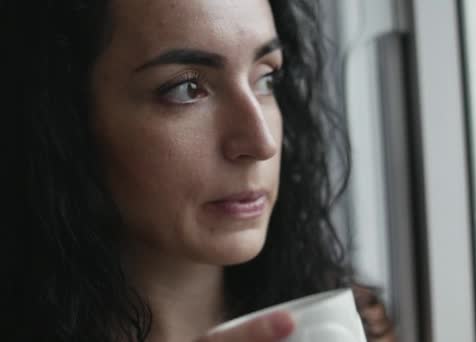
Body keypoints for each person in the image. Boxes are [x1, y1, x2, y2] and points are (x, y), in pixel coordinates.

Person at [1, 0, 396, 341]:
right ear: (62, 124)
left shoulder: (349, 323)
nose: (262, 143)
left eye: (266, 78)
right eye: (187, 89)